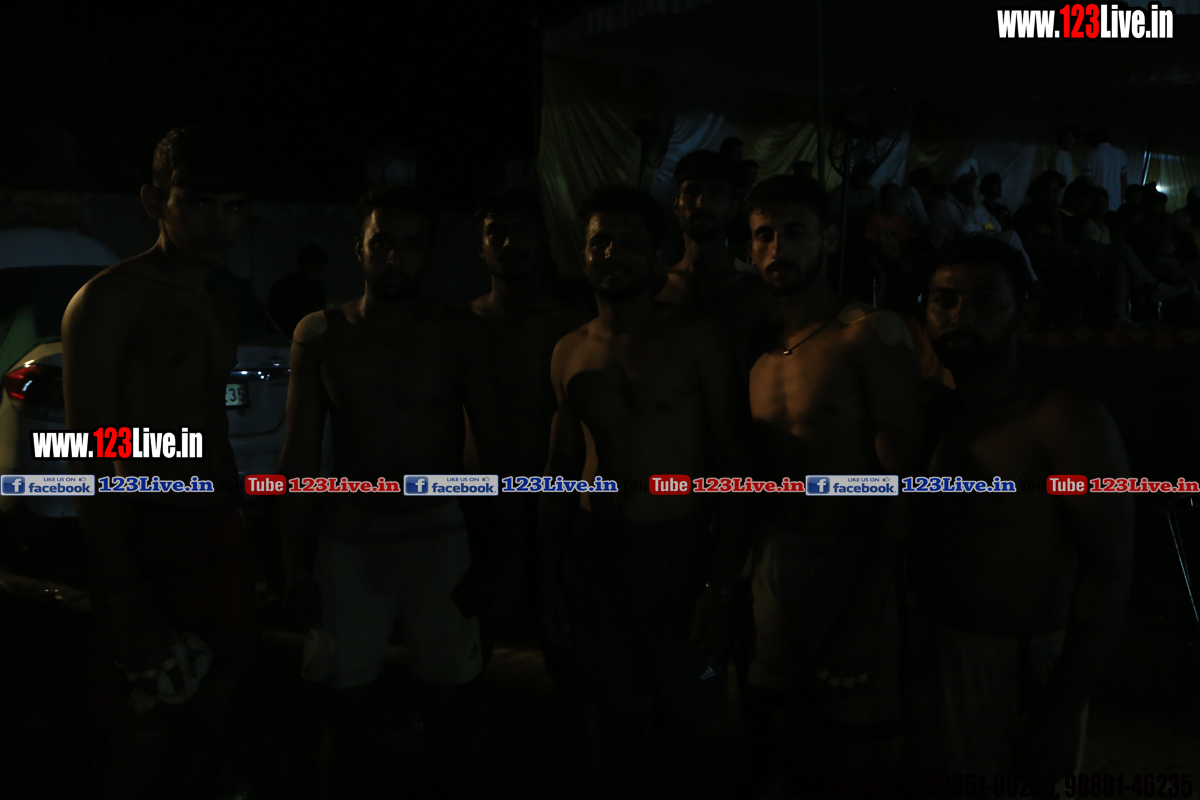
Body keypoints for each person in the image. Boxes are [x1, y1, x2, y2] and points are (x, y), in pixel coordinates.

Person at [279, 186, 523, 796]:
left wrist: (503, 556)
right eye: (383, 241)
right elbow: (299, 458)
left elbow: (495, 450)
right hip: (349, 536)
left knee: (449, 708)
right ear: (358, 246)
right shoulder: (320, 334)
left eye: (411, 245)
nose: (395, 257)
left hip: (439, 536)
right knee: (344, 712)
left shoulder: (459, 334)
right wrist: (294, 565)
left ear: (428, 253)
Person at [63, 125, 259, 799]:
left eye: (234, 207)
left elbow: (209, 432)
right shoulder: (110, 301)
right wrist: (123, 591)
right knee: (137, 739)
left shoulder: (217, 306)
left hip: (217, 539)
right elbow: (89, 454)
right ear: (155, 201)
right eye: (199, 202)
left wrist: (240, 531)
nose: (218, 223)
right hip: (147, 538)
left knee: (209, 731)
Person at [539, 184, 751, 798]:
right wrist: (550, 577)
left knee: (701, 720)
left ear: (657, 254)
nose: (612, 254)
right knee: (624, 715)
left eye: (628, 242)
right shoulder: (568, 352)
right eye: (599, 242)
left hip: (679, 550)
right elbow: (558, 472)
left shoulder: (697, 339)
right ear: (583, 254)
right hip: (598, 551)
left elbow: (738, 464)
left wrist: (721, 581)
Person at [909, 234, 1134, 780]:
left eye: (985, 300)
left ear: (1023, 314)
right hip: (934, 648)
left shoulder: (1065, 420)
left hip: (1022, 659)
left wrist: (1062, 705)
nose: (960, 316)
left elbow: (1109, 572)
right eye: (945, 300)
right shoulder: (933, 414)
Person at [743, 175, 922, 785]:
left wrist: (866, 608)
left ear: (828, 239)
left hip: (853, 560)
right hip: (775, 559)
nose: (777, 248)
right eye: (764, 235)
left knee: (860, 754)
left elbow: (903, 482)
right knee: (789, 736)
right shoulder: (757, 349)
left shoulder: (867, 333)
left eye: (794, 232)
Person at [465, 186, 591, 685]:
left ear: (542, 240)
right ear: (480, 245)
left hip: (554, 502)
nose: (509, 243)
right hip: (476, 504)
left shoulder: (572, 325)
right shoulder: (461, 324)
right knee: (463, 652)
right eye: (497, 232)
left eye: (521, 231)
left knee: (567, 649)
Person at [657, 149, 776, 357]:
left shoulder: (756, 292)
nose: (701, 202)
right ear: (676, 205)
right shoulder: (655, 286)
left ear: (733, 207)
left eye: (716, 193)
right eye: (692, 192)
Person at [931, 158, 1036, 283]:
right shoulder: (946, 206)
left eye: (974, 178)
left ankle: (1032, 281)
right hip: (952, 256)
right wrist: (971, 206)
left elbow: (996, 226)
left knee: (1011, 237)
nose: (973, 183)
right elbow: (969, 232)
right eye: (968, 180)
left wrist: (982, 226)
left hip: (974, 248)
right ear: (958, 182)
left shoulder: (974, 204)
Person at [863, 182, 914, 308]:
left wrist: (908, 260)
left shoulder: (900, 221)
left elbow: (905, 245)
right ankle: (881, 306)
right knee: (886, 272)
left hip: (895, 259)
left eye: (896, 196)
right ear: (882, 198)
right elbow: (872, 247)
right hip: (879, 258)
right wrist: (895, 260)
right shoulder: (875, 219)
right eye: (889, 196)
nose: (893, 200)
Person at [269, 243, 328, 337]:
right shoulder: (284, 287)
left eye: (318, 273)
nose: (315, 277)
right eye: (311, 272)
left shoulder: (317, 286)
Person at [1080, 127, 1127, 213]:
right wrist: (1119, 200)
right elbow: (1123, 181)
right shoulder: (1120, 154)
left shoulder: (1091, 155)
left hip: (1096, 205)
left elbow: (1086, 182)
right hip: (1115, 205)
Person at [1051, 124, 1078, 203]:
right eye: (1066, 137)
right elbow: (1054, 181)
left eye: (1071, 137)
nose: (1069, 140)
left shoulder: (1065, 156)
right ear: (1061, 139)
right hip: (1060, 201)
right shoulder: (1059, 156)